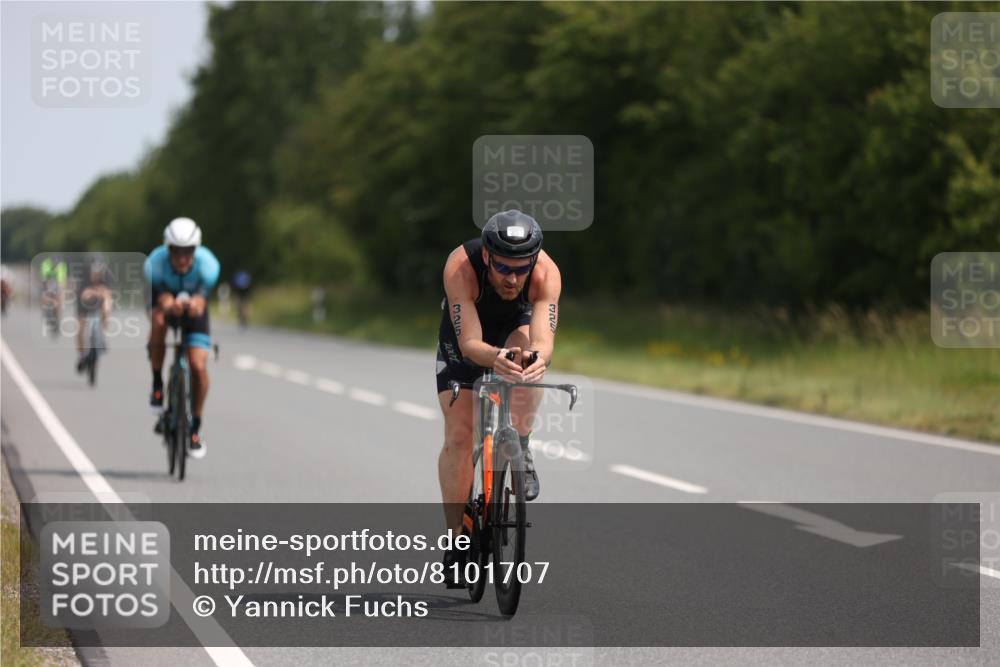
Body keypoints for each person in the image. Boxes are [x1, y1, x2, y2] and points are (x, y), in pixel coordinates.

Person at [435, 209, 562, 582]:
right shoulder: (461, 267)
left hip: (515, 323)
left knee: (527, 362)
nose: (512, 278)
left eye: (521, 269)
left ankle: (521, 443)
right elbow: (470, 343)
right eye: (504, 267)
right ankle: (457, 540)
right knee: (460, 435)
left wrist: (537, 360)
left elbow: (544, 341)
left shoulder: (546, 273)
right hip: (468, 334)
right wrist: (494, 358)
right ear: (488, 256)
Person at [144, 217, 220, 459]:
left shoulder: (208, 265)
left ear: (196, 250)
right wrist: (169, 305)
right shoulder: (154, 264)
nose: (182, 257)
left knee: (198, 366)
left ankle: (195, 428)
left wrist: (195, 304)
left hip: (194, 308)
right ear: (168, 249)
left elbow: (201, 299)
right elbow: (160, 297)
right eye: (176, 251)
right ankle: (157, 384)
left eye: (188, 251)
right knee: (158, 322)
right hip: (165, 303)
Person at [75, 261, 113, 372]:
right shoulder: (84, 280)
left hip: (99, 303)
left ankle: (102, 335)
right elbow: (83, 296)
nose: (96, 276)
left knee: (107, 306)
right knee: (80, 330)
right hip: (84, 304)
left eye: (98, 274)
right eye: (94, 273)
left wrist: (106, 312)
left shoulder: (106, 278)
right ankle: (82, 355)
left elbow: (108, 296)